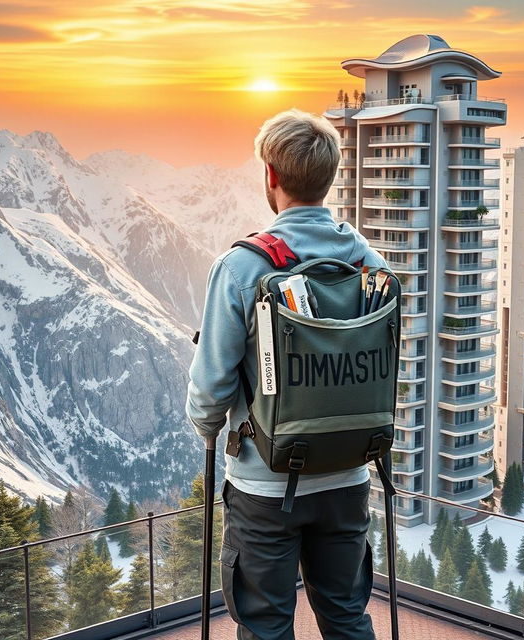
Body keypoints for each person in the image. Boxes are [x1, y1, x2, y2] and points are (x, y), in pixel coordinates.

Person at [186, 108, 387, 639]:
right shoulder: (367, 262)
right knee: (346, 617)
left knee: (266, 624)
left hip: (264, 483)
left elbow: (211, 388)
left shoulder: (242, 267)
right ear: (330, 176)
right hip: (348, 474)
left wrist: (209, 429)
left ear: (270, 176)